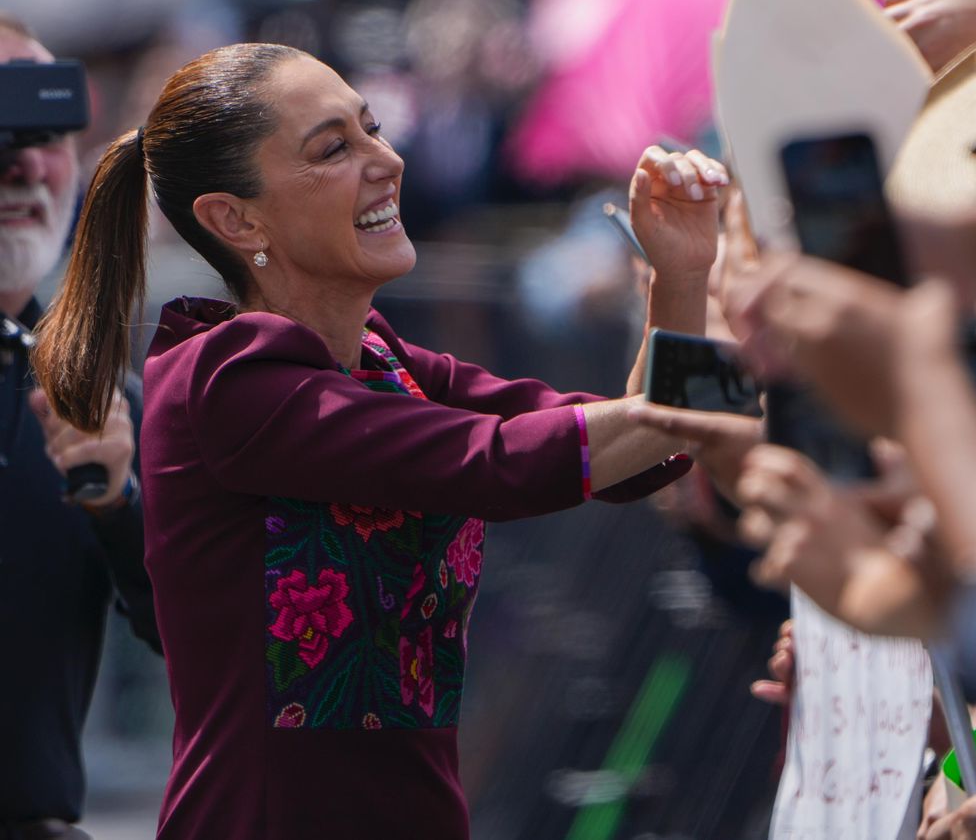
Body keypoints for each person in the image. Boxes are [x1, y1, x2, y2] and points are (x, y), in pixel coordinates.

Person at [30, 43, 726, 840]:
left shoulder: (386, 360)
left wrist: (683, 274)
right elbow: (503, 464)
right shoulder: (227, 380)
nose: (387, 160)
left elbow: (629, 448)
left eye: (373, 129)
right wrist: (730, 393)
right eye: (334, 148)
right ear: (236, 218)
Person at [0, 16, 160, 840]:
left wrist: (120, 503)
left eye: (46, 131)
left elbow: (200, 638)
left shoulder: (96, 400)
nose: (24, 163)